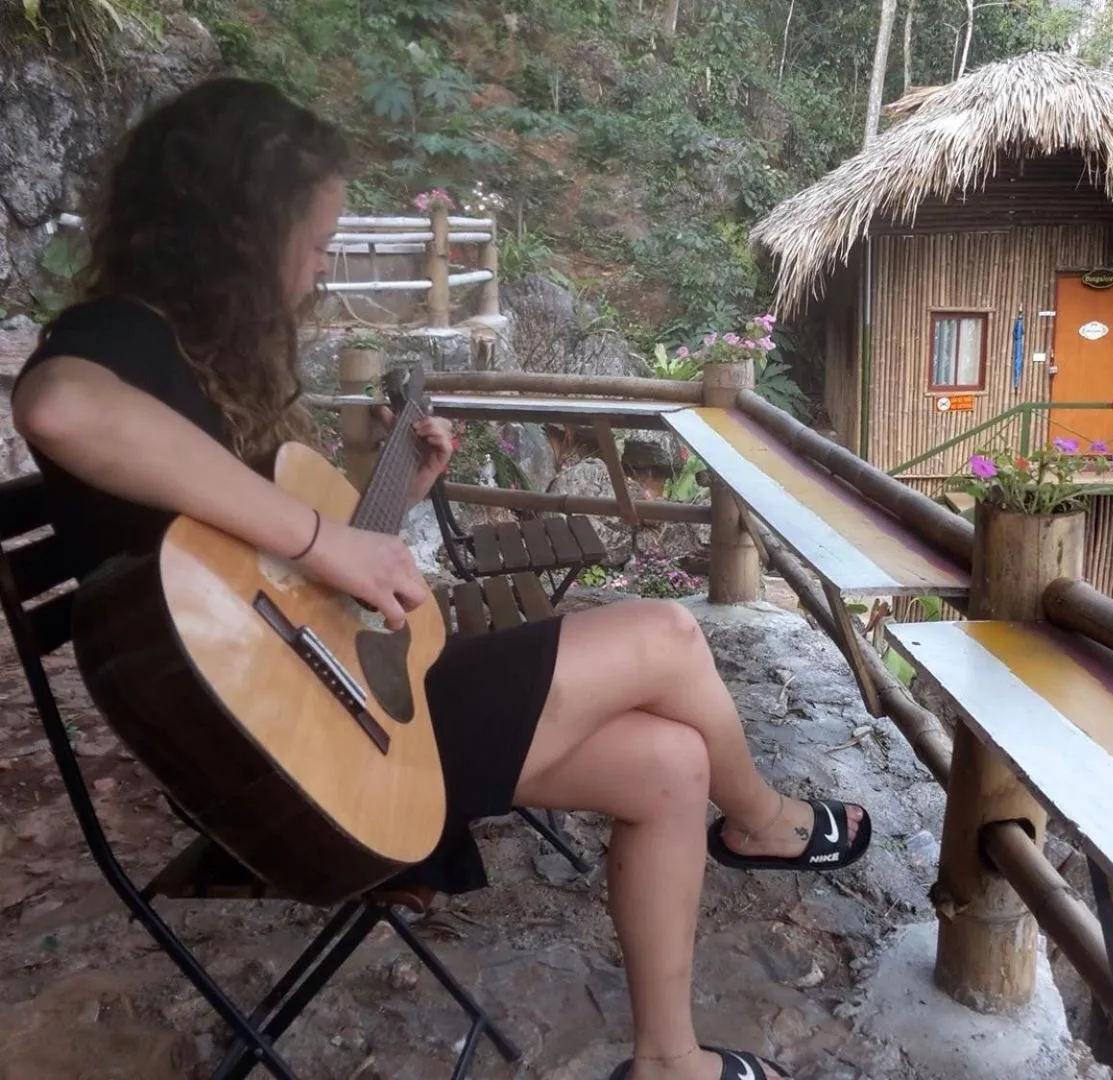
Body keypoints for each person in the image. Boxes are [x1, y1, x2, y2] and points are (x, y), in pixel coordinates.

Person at [9, 78, 872, 1080]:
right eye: (317, 241)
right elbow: (60, 408)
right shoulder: (120, 338)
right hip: (281, 777)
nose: (322, 268)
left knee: (673, 763)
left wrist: (394, 492)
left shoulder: (196, 362)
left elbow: (280, 592)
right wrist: (323, 539)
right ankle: (764, 825)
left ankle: (667, 1063)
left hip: (320, 728)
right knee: (666, 637)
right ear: (239, 234)